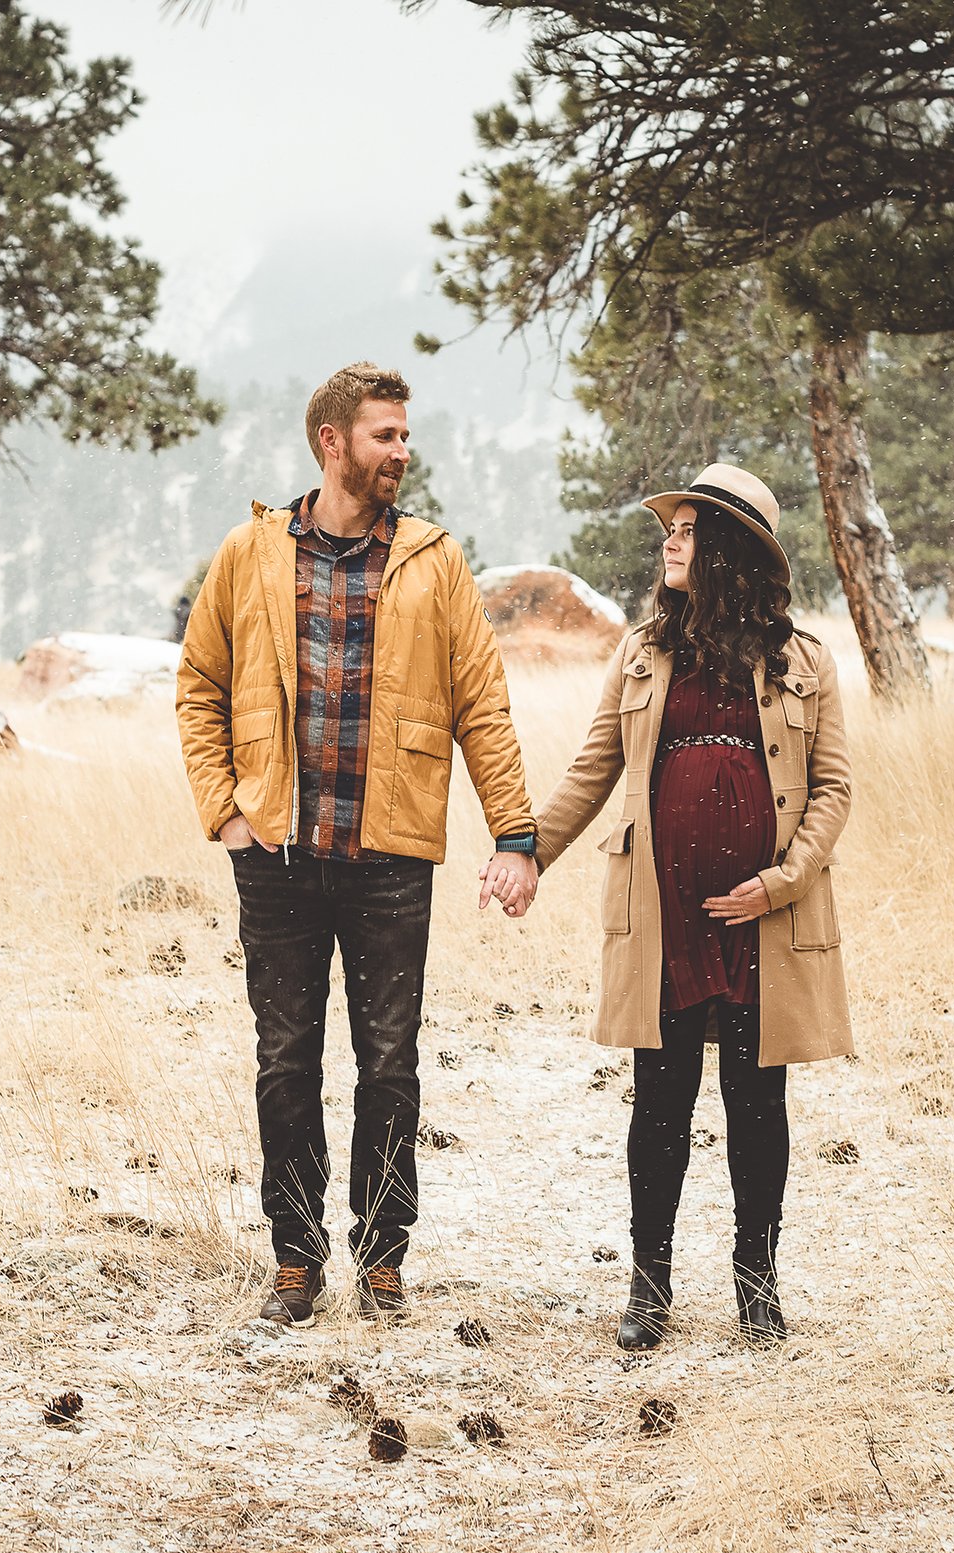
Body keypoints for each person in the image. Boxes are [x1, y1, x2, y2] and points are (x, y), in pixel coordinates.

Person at [176, 362, 541, 1327]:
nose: (402, 453)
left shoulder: (434, 560)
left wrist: (516, 833)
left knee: (389, 1063)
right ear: (332, 442)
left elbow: (483, 706)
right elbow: (198, 687)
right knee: (287, 1062)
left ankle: (382, 1258)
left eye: (405, 436)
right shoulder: (249, 554)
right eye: (385, 435)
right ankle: (295, 1260)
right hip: (279, 862)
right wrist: (226, 811)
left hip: (390, 857)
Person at [532, 463, 852, 1349]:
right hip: (661, 913)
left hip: (766, 921)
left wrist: (779, 882)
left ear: (732, 549)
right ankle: (649, 1286)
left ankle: (758, 1286)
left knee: (758, 1106)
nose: (671, 539)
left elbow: (832, 790)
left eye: (689, 528)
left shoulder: (803, 662)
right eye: (670, 527)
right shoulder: (641, 653)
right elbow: (594, 769)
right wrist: (527, 850)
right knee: (660, 1105)